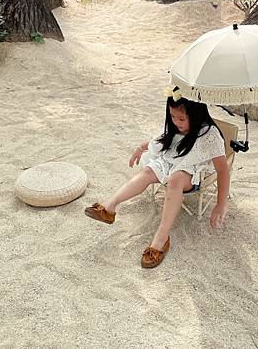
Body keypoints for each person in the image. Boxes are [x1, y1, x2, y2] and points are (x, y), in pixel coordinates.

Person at [84, 87, 230, 269]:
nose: (177, 122)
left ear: (197, 115)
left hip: (193, 171)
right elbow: (162, 140)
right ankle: (109, 207)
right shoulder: (176, 126)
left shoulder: (210, 135)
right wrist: (140, 148)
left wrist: (220, 204)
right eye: (173, 117)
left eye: (182, 119)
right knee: (147, 172)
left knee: (175, 179)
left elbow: (223, 171)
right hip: (171, 160)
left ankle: (162, 236)